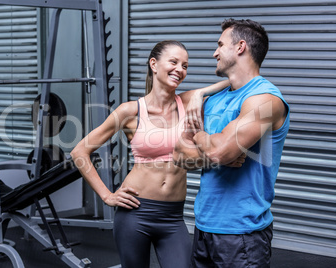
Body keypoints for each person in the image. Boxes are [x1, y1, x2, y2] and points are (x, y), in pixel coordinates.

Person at [71, 40, 231, 268]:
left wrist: (200, 92)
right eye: (174, 62)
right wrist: (107, 196)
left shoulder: (187, 103)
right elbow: (80, 151)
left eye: (185, 65)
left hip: (173, 216)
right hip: (135, 212)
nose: (180, 70)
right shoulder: (130, 111)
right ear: (154, 64)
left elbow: (233, 81)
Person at [173, 18, 290, 267]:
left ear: (240, 47)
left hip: (243, 233)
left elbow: (219, 151)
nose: (214, 52)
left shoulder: (265, 100)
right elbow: (179, 156)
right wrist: (201, 94)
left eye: (220, 45)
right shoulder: (214, 99)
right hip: (204, 225)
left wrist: (200, 137)